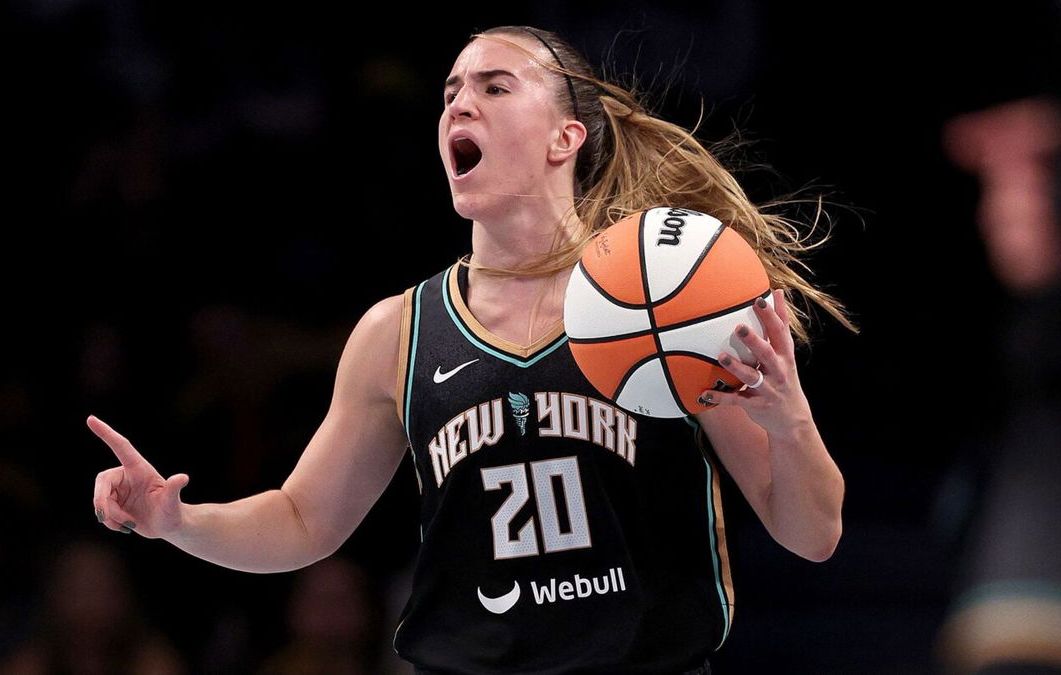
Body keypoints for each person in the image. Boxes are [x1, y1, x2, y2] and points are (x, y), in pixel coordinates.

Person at [89, 25, 850, 674]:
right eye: (451, 89)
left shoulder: (671, 300)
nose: (459, 101)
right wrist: (179, 523)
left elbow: (813, 534)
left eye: (494, 86)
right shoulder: (398, 330)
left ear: (566, 136)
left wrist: (791, 422)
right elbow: (299, 521)